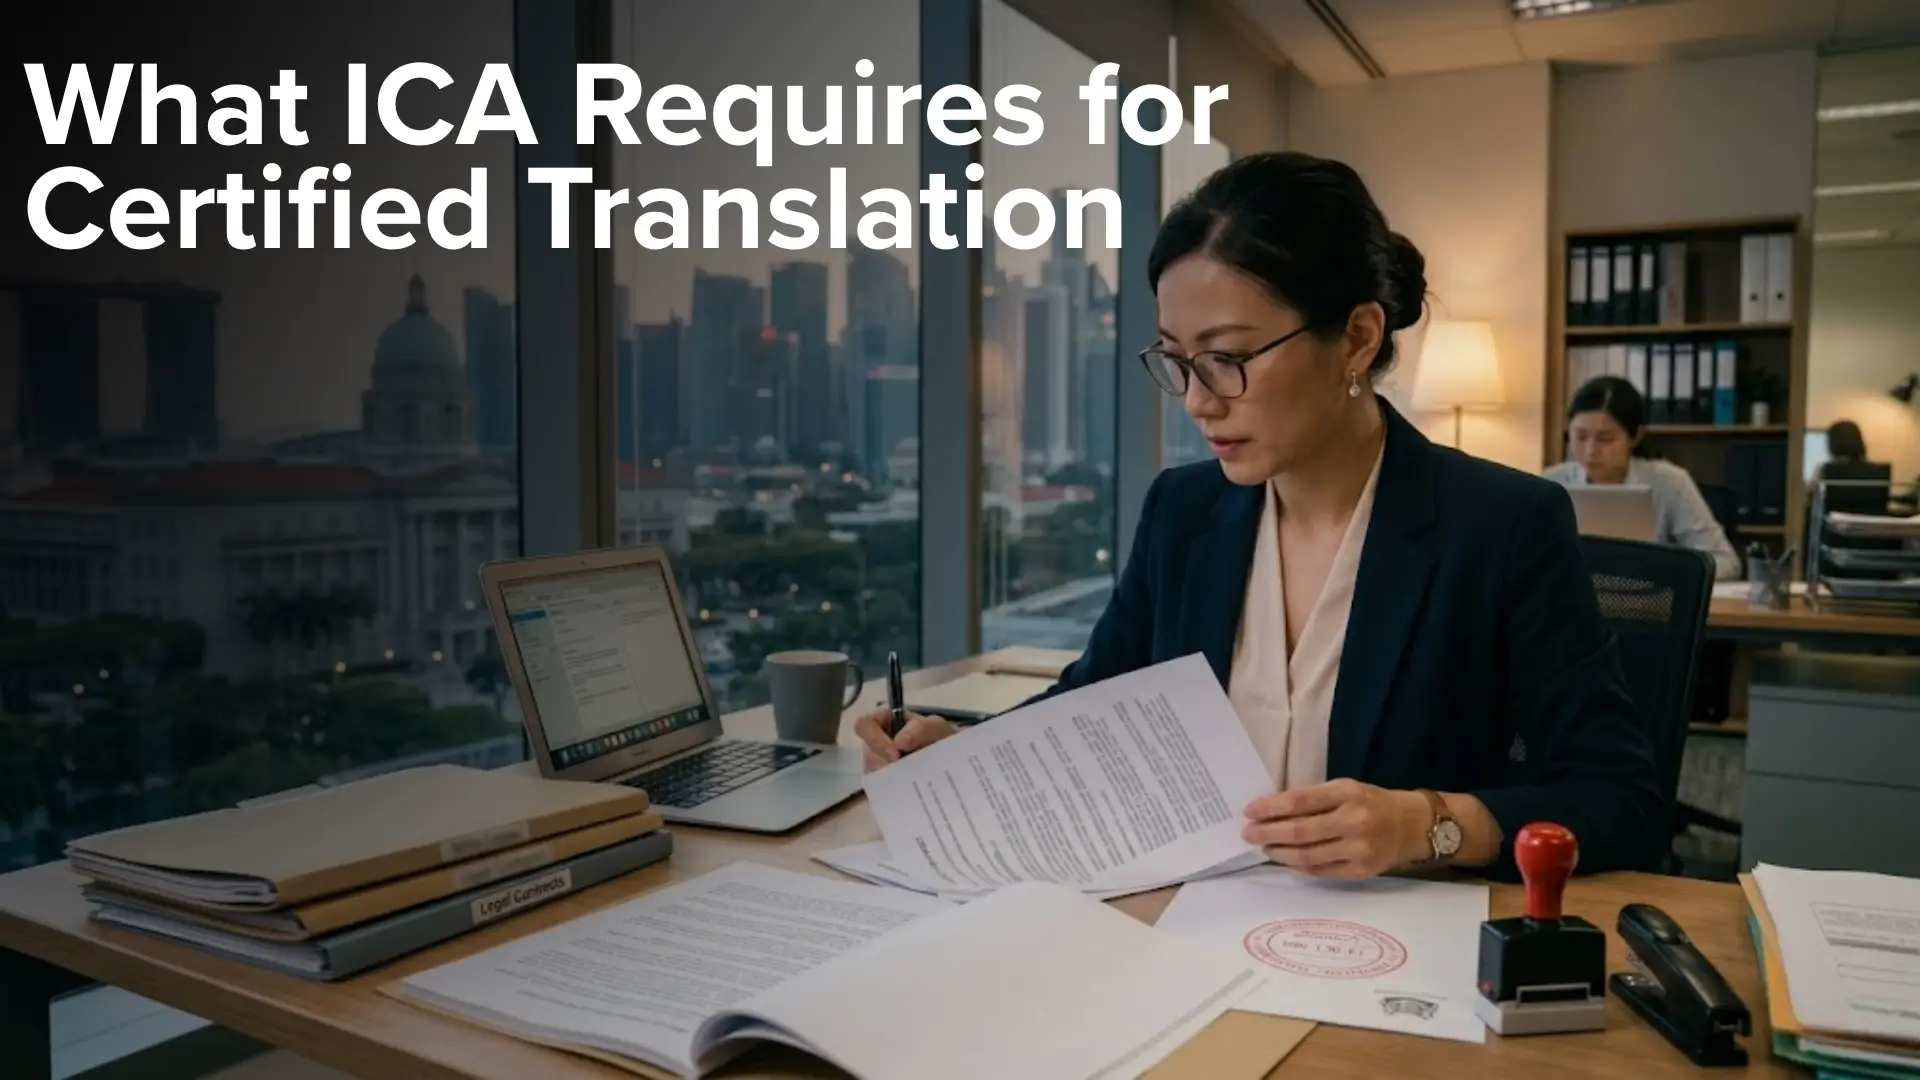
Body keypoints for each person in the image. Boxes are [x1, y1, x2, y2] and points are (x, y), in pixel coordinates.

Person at [853, 151, 1667, 881]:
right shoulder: (1183, 511)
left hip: (1389, 955)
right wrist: (967, 758)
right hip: (1184, 929)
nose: (1199, 403)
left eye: (1230, 358)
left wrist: (1428, 823)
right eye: (1178, 360)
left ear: (1355, 337)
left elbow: (1618, 797)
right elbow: (1094, 699)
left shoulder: (1501, 526)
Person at [1542, 377, 1743, 581]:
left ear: (1634, 436)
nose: (1590, 451)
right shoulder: (1550, 483)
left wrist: (1665, 572)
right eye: (1580, 437)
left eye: (1605, 439)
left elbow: (1726, 561)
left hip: (1650, 603)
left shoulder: (1669, 482)